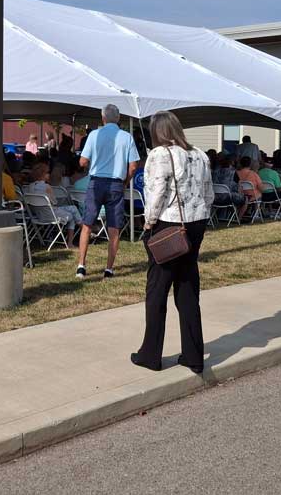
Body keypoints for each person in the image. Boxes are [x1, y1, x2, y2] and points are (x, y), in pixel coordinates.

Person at [132, 110, 213, 373]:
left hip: (168, 223)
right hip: (196, 222)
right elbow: (208, 192)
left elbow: (157, 192)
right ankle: (193, 355)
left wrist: (148, 223)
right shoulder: (200, 154)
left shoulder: (160, 154)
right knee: (188, 288)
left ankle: (150, 354)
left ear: (157, 132)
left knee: (157, 290)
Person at [75, 104, 140, 279]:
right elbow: (133, 166)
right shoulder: (127, 137)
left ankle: (81, 265)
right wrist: (125, 182)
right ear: (118, 118)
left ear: (102, 118)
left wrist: (92, 163)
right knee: (114, 228)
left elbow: (82, 161)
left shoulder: (94, 135)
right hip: (116, 184)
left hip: (96, 182)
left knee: (87, 224)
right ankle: (109, 269)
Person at [28, 162, 82, 248]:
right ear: (43, 174)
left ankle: (85, 230)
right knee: (72, 215)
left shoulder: (30, 186)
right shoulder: (47, 187)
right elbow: (54, 202)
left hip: (39, 215)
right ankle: (72, 242)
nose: (49, 175)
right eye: (47, 173)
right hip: (50, 215)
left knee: (73, 208)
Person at [212, 154, 248, 220]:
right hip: (228, 198)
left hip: (215, 198)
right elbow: (239, 187)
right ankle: (238, 218)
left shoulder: (215, 172)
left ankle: (225, 216)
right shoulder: (233, 172)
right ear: (232, 163)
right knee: (245, 199)